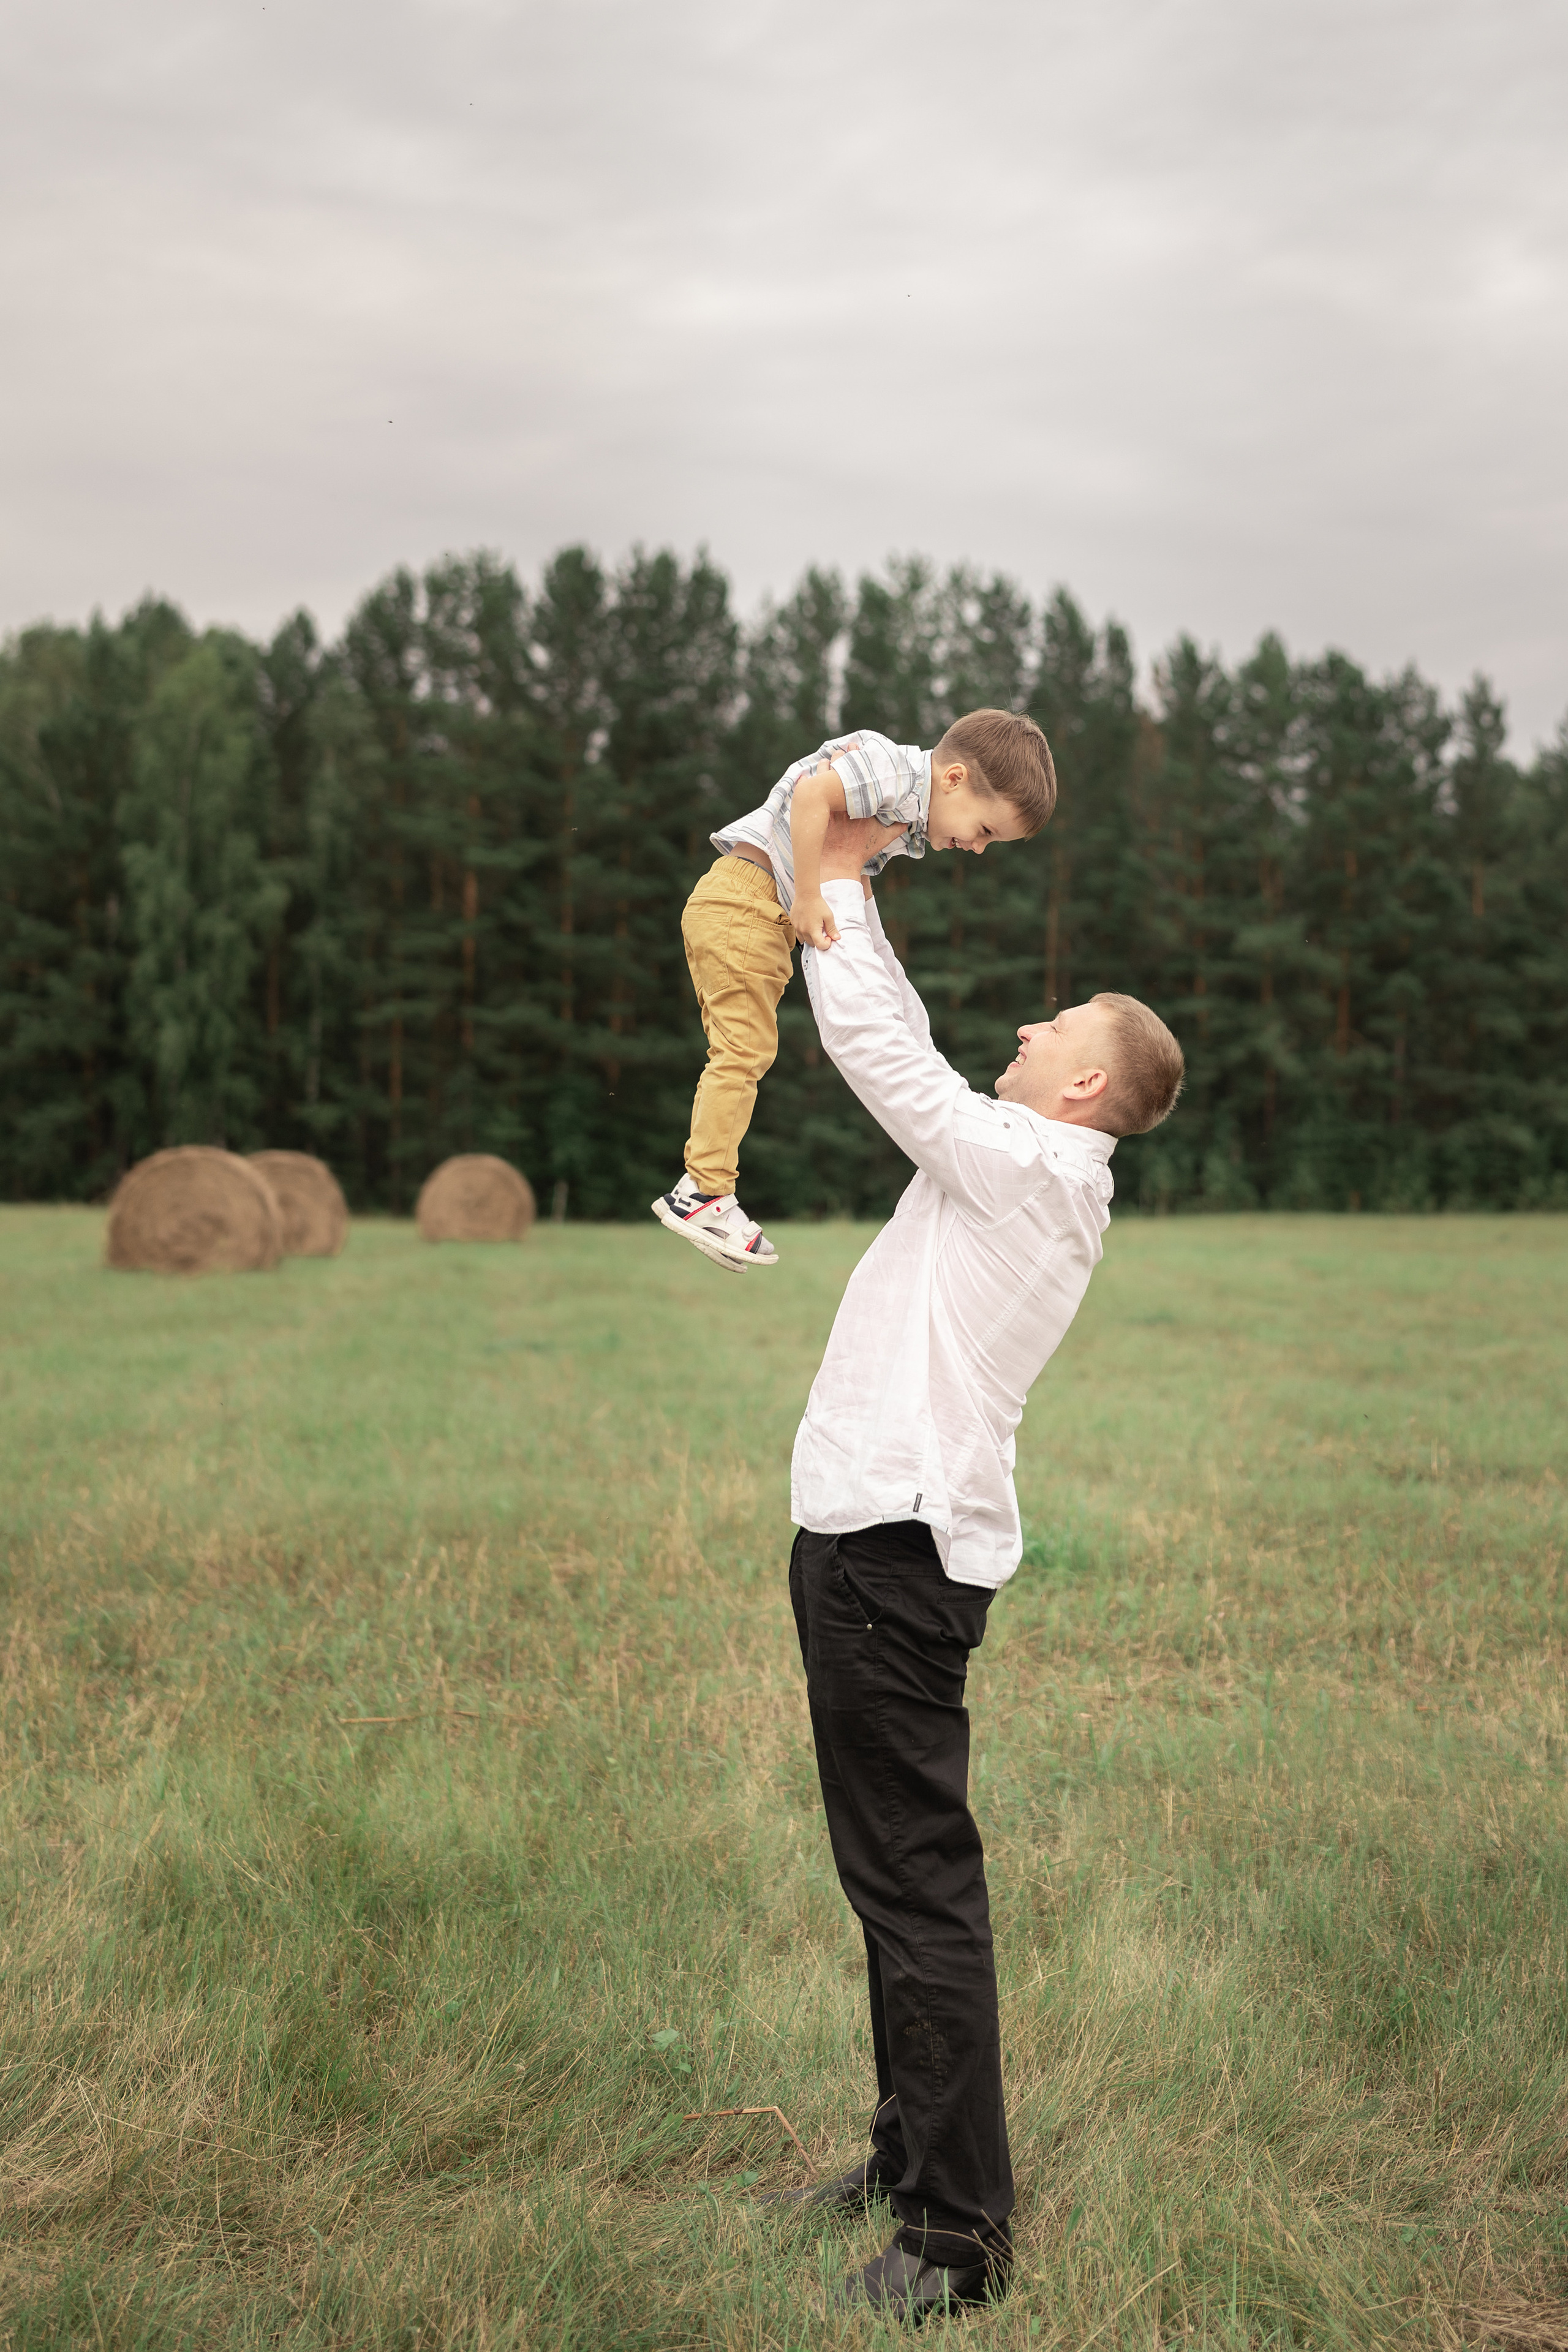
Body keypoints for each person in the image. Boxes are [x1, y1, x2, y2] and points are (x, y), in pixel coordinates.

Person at [779, 840, 1184, 2323]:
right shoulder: (1022, 1162)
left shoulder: (1025, 1163)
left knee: (915, 1889)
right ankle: (902, 2161)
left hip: (893, 1556)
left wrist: (822, 897)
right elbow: (924, 1057)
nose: (1024, 1029)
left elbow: (888, 1058)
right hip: (866, 1541)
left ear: (1082, 1087)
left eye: (1053, 1028)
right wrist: (849, 898)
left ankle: (959, 2239)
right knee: (884, 1884)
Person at [650, 710, 1056, 1272]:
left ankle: (706, 1189)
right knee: (743, 1051)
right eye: (985, 831)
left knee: (747, 1050)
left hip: (755, 910)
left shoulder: (907, 812)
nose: (979, 849)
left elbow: (856, 875)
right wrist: (810, 895)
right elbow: (813, 795)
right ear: (955, 778)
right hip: (748, 901)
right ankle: (703, 1193)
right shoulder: (894, 769)